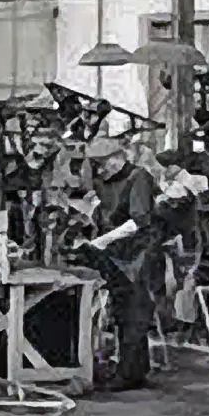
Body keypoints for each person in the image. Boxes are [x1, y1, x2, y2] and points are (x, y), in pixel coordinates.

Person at [77, 136, 164, 391]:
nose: (100, 171)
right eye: (96, 166)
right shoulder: (104, 183)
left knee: (134, 312)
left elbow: (138, 221)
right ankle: (135, 368)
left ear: (118, 158)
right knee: (122, 310)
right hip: (116, 254)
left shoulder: (139, 178)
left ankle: (130, 374)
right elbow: (101, 210)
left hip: (138, 254)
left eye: (103, 164)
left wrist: (101, 241)